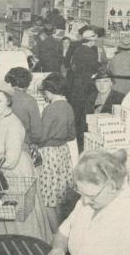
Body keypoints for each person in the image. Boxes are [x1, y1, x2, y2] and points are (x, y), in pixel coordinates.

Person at [0, 80, 52, 243]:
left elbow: (10, 162)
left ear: (8, 101)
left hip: (14, 174)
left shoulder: (14, 124)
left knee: (15, 220)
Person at [48, 149, 130, 255]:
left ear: (111, 187)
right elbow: (63, 232)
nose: (85, 201)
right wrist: (58, 248)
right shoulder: (89, 200)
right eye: (82, 194)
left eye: (91, 196)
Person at [38, 73, 76, 232]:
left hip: (49, 154)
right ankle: (63, 229)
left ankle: (56, 235)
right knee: (59, 196)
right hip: (63, 152)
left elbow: (41, 136)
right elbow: (72, 135)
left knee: (47, 200)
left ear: (49, 90)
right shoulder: (68, 106)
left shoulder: (50, 108)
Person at [69, 29, 100, 150]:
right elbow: (95, 67)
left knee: (77, 111)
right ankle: (82, 139)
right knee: (84, 111)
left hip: (77, 84)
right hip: (86, 85)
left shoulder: (78, 49)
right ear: (91, 41)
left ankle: (77, 138)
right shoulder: (89, 52)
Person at [4, 67, 43, 146]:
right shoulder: (30, 101)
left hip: (2, 142)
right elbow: (37, 133)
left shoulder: (2, 96)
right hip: (22, 144)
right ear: (28, 83)